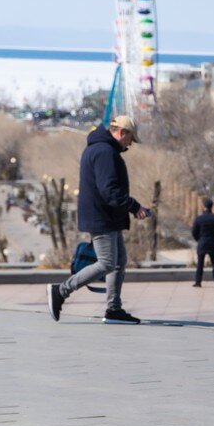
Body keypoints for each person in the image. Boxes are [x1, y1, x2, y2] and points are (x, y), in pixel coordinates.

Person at [47, 115, 151, 325]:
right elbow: (109, 190)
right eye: (131, 138)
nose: (131, 144)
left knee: (119, 262)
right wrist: (134, 206)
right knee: (106, 263)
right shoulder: (105, 152)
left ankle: (113, 309)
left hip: (107, 216)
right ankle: (61, 291)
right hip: (102, 216)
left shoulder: (101, 149)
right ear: (121, 132)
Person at [191, 197, 214, 287]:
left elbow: (194, 232)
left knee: (200, 264)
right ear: (211, 206)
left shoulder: (199, 219)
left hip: (202, 243)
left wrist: (199, 239)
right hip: (213, 243)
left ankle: (198, 282)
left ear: (203, 206)